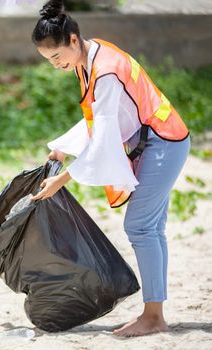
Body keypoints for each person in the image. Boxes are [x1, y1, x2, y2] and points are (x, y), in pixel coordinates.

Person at [29, 0, 190, 337]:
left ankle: (154, 317)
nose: (55, 65)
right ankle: (155, 312)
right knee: (151, 229)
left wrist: (62, 179)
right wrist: (62, 147)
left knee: (141, 228)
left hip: (164, 143)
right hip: (152, 142)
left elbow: (103, 138)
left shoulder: (105, 70)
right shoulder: (87, 57)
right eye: (48, 61)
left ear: (73, 40)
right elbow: (98, 118)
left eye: (56, 57)